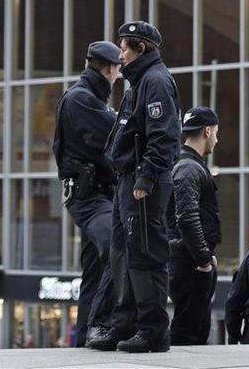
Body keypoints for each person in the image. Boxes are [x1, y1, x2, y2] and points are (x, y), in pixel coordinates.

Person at [96, 21, 181, 353]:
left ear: (141, 48)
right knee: (123, 256)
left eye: (125, 47)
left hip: (143, 182)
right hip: (127, 181)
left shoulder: (156, 81)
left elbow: (164, 137)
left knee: (146, 255)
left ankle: (152, 331)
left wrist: (145, 179)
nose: (120, 53)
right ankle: (126, 326)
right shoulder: (139, 82)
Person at [52, 41, 123, 346]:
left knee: (94, 271)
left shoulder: (88, 97)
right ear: (109, 69)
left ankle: (84, 339)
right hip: (89, 199)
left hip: (96, 195)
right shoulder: (81, 99)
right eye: (119, 70)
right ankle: (99, 324)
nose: (120, 75)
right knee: (117, 246)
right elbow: (114, 133)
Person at [167, 106, 222, 345]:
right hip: (189, 262)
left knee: (195, 330)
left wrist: (206, 256)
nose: (217, 139)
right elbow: (187, 217)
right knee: (189, 334)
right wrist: (202, 260)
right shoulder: (189, 167)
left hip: (192, 259)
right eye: (217, 133)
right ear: (207, 131)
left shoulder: (188, 164)